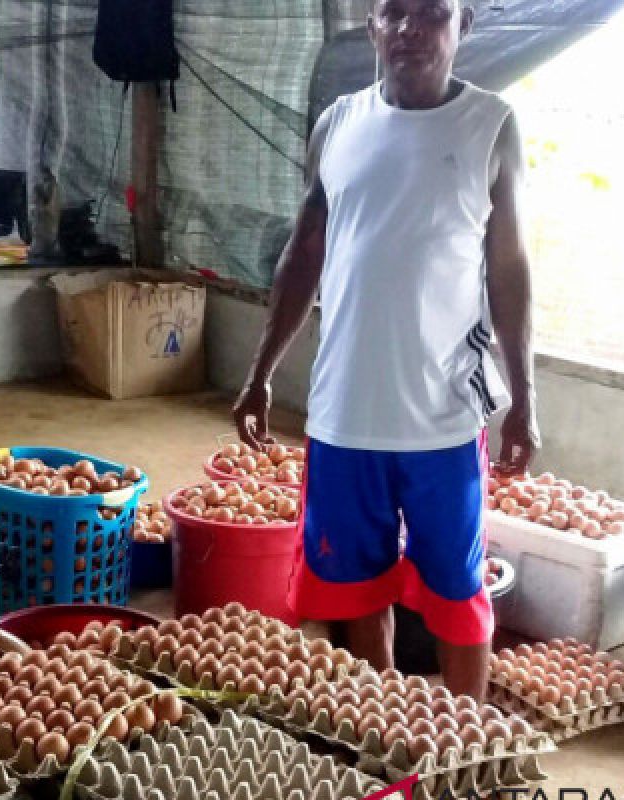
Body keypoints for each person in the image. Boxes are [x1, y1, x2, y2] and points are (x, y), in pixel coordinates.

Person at [231, 0, 538, 699]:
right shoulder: (338, 124)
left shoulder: (490, 126)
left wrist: (524, 397)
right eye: (394, 13)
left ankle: (465, 751)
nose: (410, 31)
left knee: (457, 595)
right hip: (344, 415)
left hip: (443, 419)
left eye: (432, 13)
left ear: (464, 27)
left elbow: (510, 269)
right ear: (371, 27)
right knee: (354, 587)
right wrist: (259, 376)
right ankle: (387, 731)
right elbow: (303, 253)